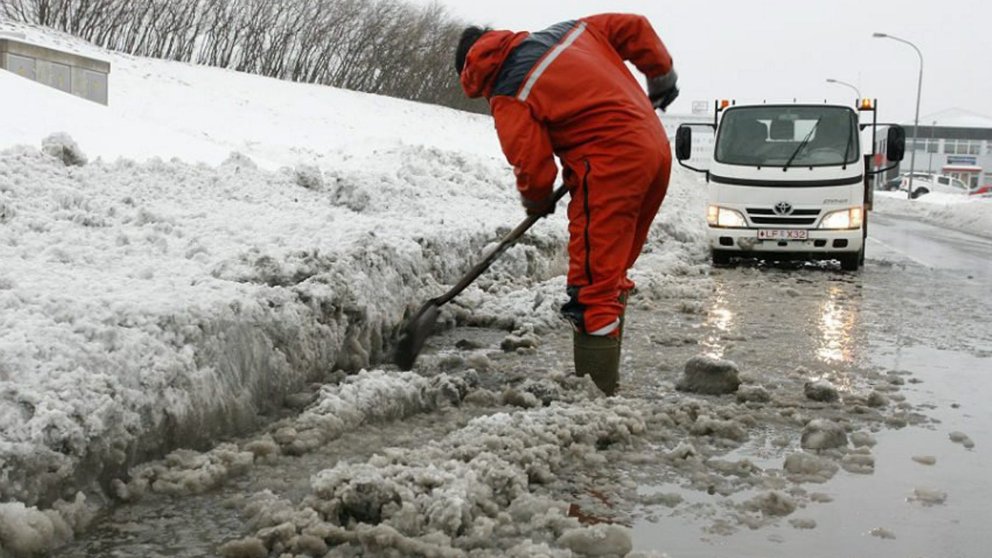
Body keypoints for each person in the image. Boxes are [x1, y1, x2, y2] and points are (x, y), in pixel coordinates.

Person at [454, 14, 678, 395]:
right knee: (610, 270)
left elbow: (532, 164)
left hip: (610, 165)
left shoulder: (508, 88)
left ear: (469, 70)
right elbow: (634, 27)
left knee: (593, 287)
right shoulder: (573, 31)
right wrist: (660, 77)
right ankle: (606, 381)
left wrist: (537, 200)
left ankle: (595, 401)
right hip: (654, 150)